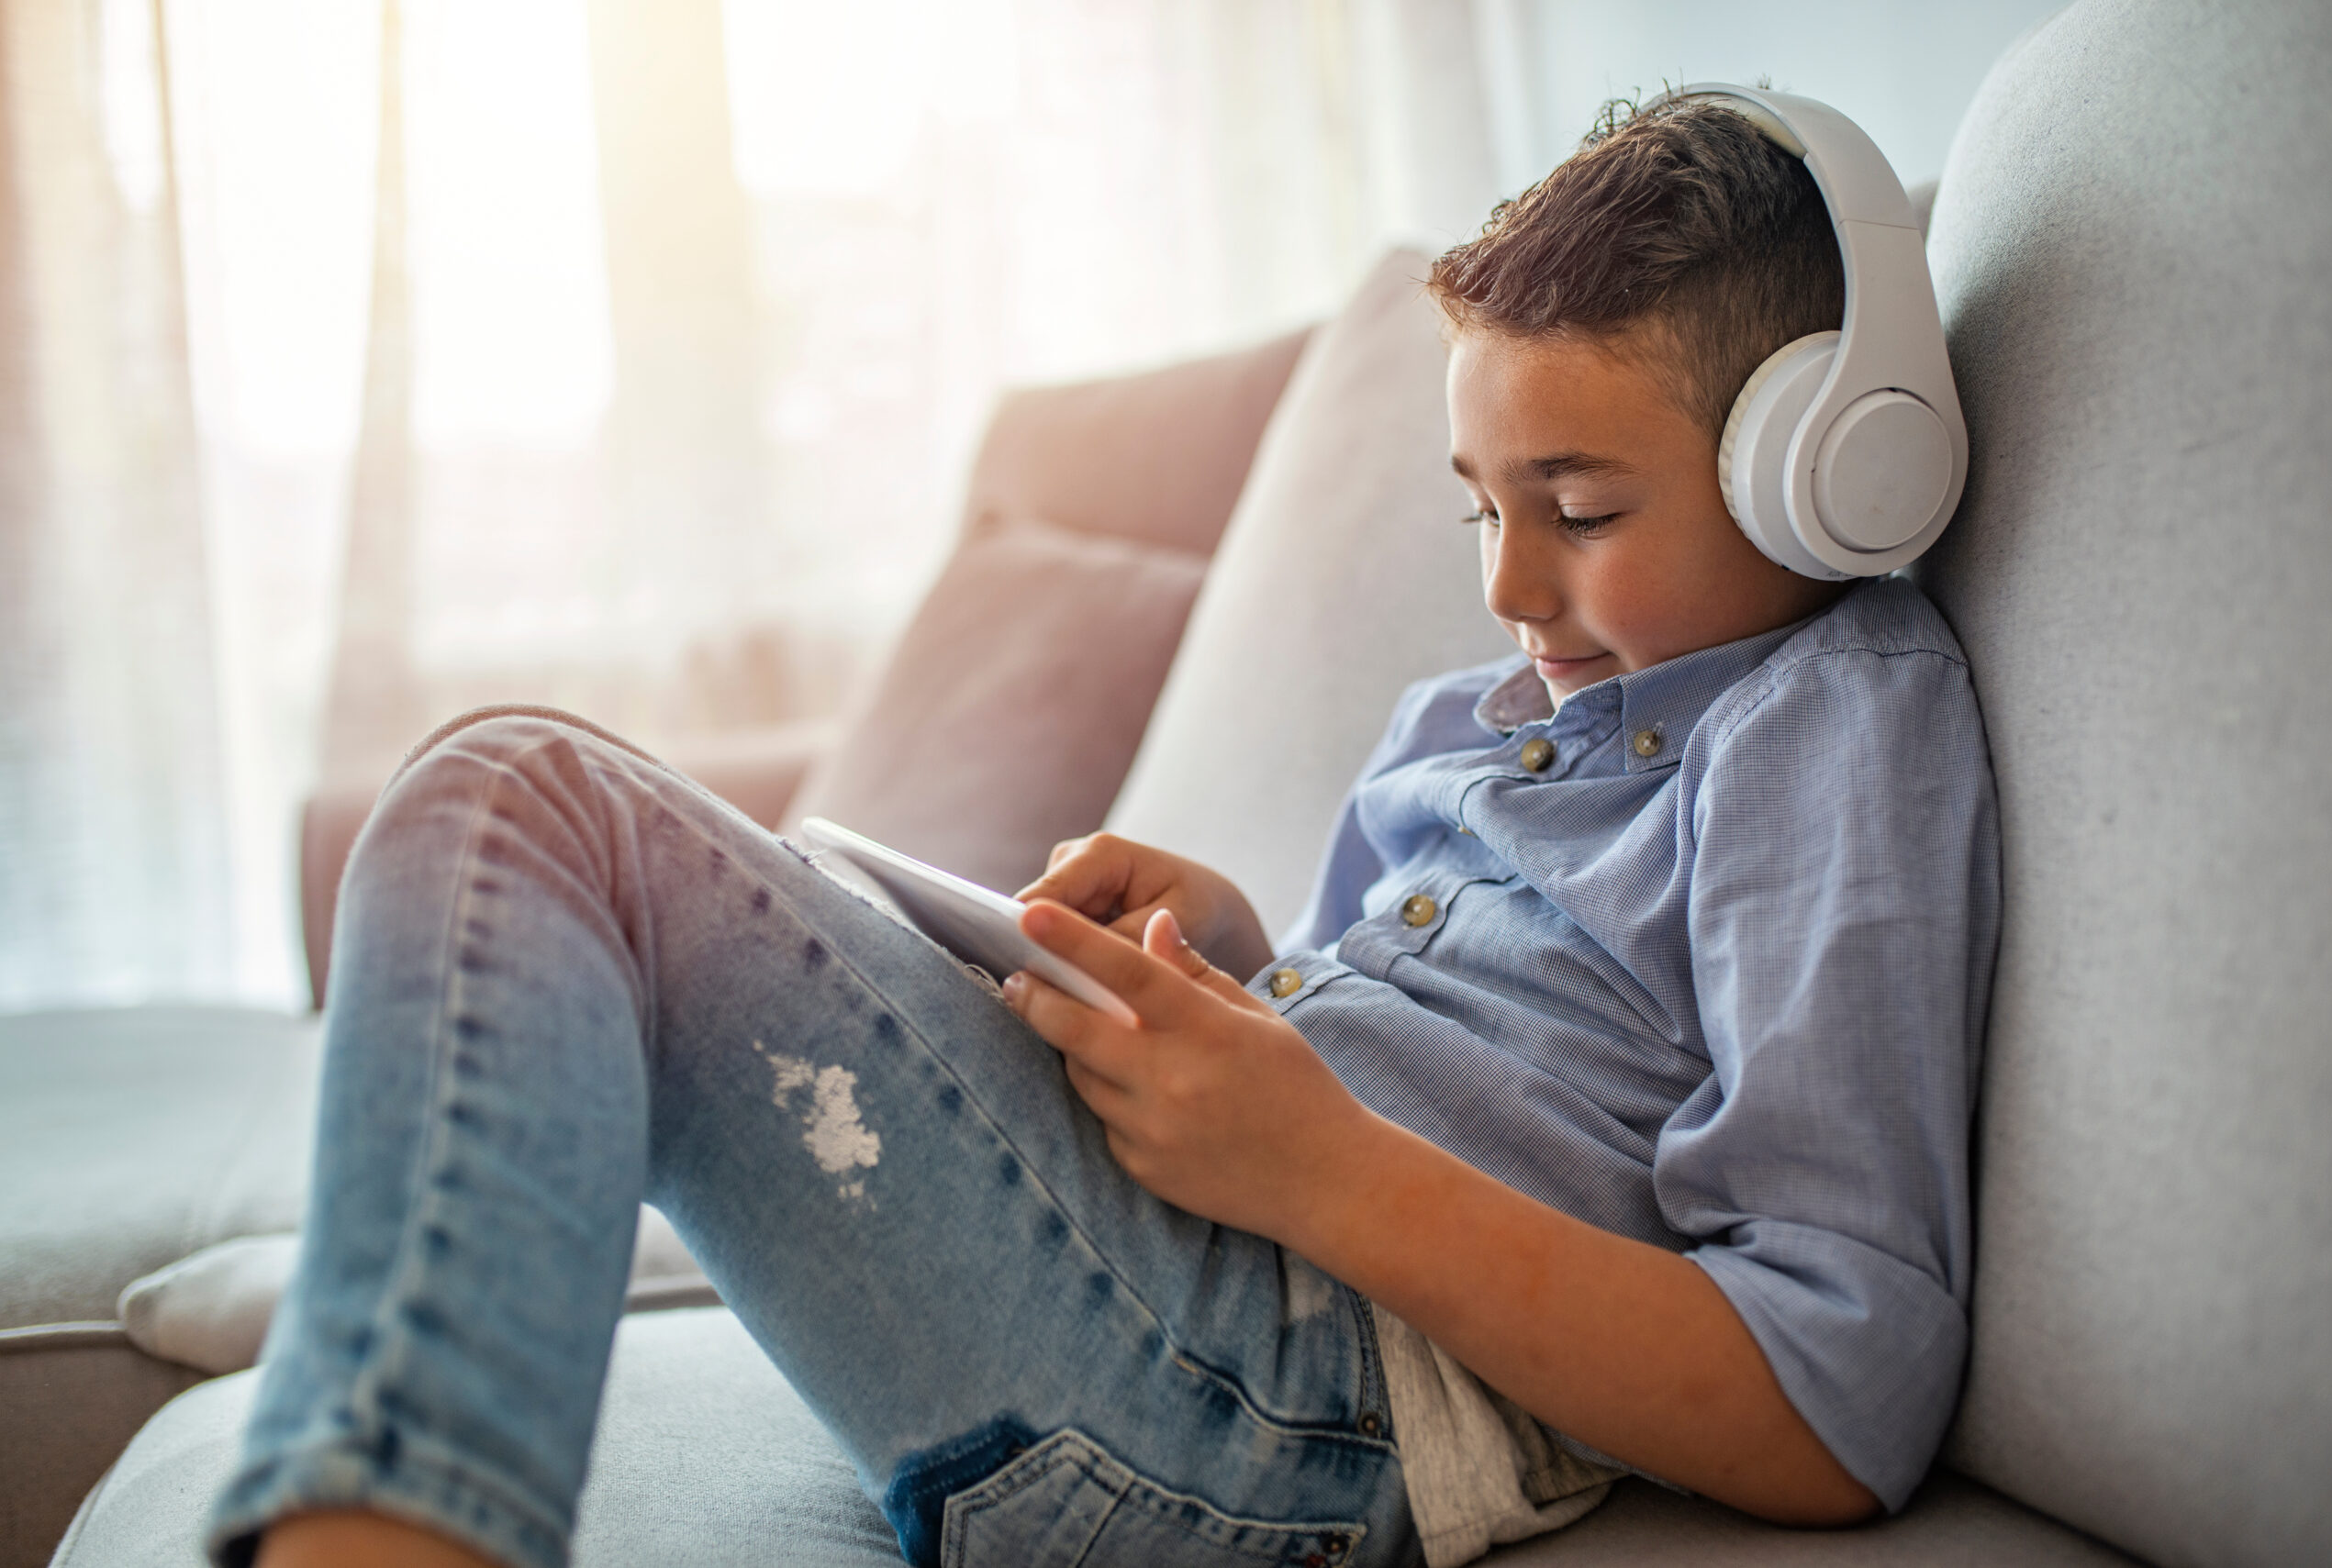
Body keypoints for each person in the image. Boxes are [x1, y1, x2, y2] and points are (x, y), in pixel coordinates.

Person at [215, 92, 1998, 1568]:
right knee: (537, 818)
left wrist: (1315, 1166)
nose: (1515, 586)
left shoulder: (1827, 718)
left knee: (521, 803)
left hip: (1282, 1400)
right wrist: (1232, 965)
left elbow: (1836, 1398)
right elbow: (1419, 1056)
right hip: (1208, 1296)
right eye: (1479, 512)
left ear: (1823, 462)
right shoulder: (1468, 728)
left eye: (1584, 508)